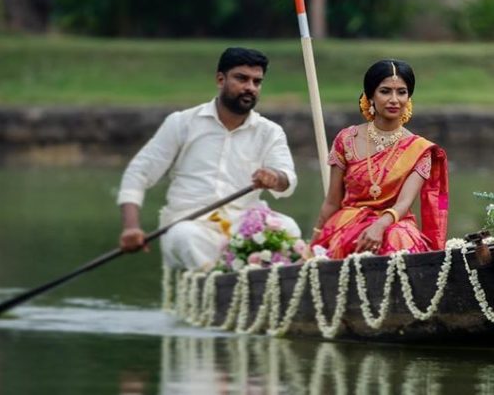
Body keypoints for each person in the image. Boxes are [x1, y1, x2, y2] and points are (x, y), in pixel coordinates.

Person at [116, 47, 300, 270]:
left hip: (245, 224)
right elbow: (139, 173)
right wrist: (131, 227)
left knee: (289, 229)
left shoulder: (270, 132)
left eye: (256, 82)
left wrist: (275, 177)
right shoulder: (182, 123)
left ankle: (261, 297)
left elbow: (286, 178)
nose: (250, 88)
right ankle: (219, 292)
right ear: (220, 79)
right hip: (190, 223)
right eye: (242, 78)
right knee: (187, 237)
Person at [310, 59, 448, 258]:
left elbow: (403, 204)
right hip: (348, 223)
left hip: (395, 224)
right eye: (385, 91)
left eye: (401, 92)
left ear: (409, 97)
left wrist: (379, 226)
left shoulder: (419, 148)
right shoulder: (347, 139)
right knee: (348, 239)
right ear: (370, 96)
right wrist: (314, 242)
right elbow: (332, 201)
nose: (394, 99)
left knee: (398, 236)